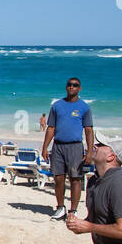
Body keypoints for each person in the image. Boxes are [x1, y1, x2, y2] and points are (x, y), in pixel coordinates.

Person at [42, 77, 94, 221]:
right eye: (69, 85)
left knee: (75, 179)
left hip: (75, 147)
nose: (72, 87)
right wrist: (45, 147)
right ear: (66, 87)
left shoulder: (84, 107)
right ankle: (60, 207)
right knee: (58, 178)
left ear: (79, 88)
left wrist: (90, 151)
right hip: (58, 146)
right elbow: (51, 128)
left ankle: (74, 210)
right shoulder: (57, 106)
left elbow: (89, 130)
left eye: (75, 85)